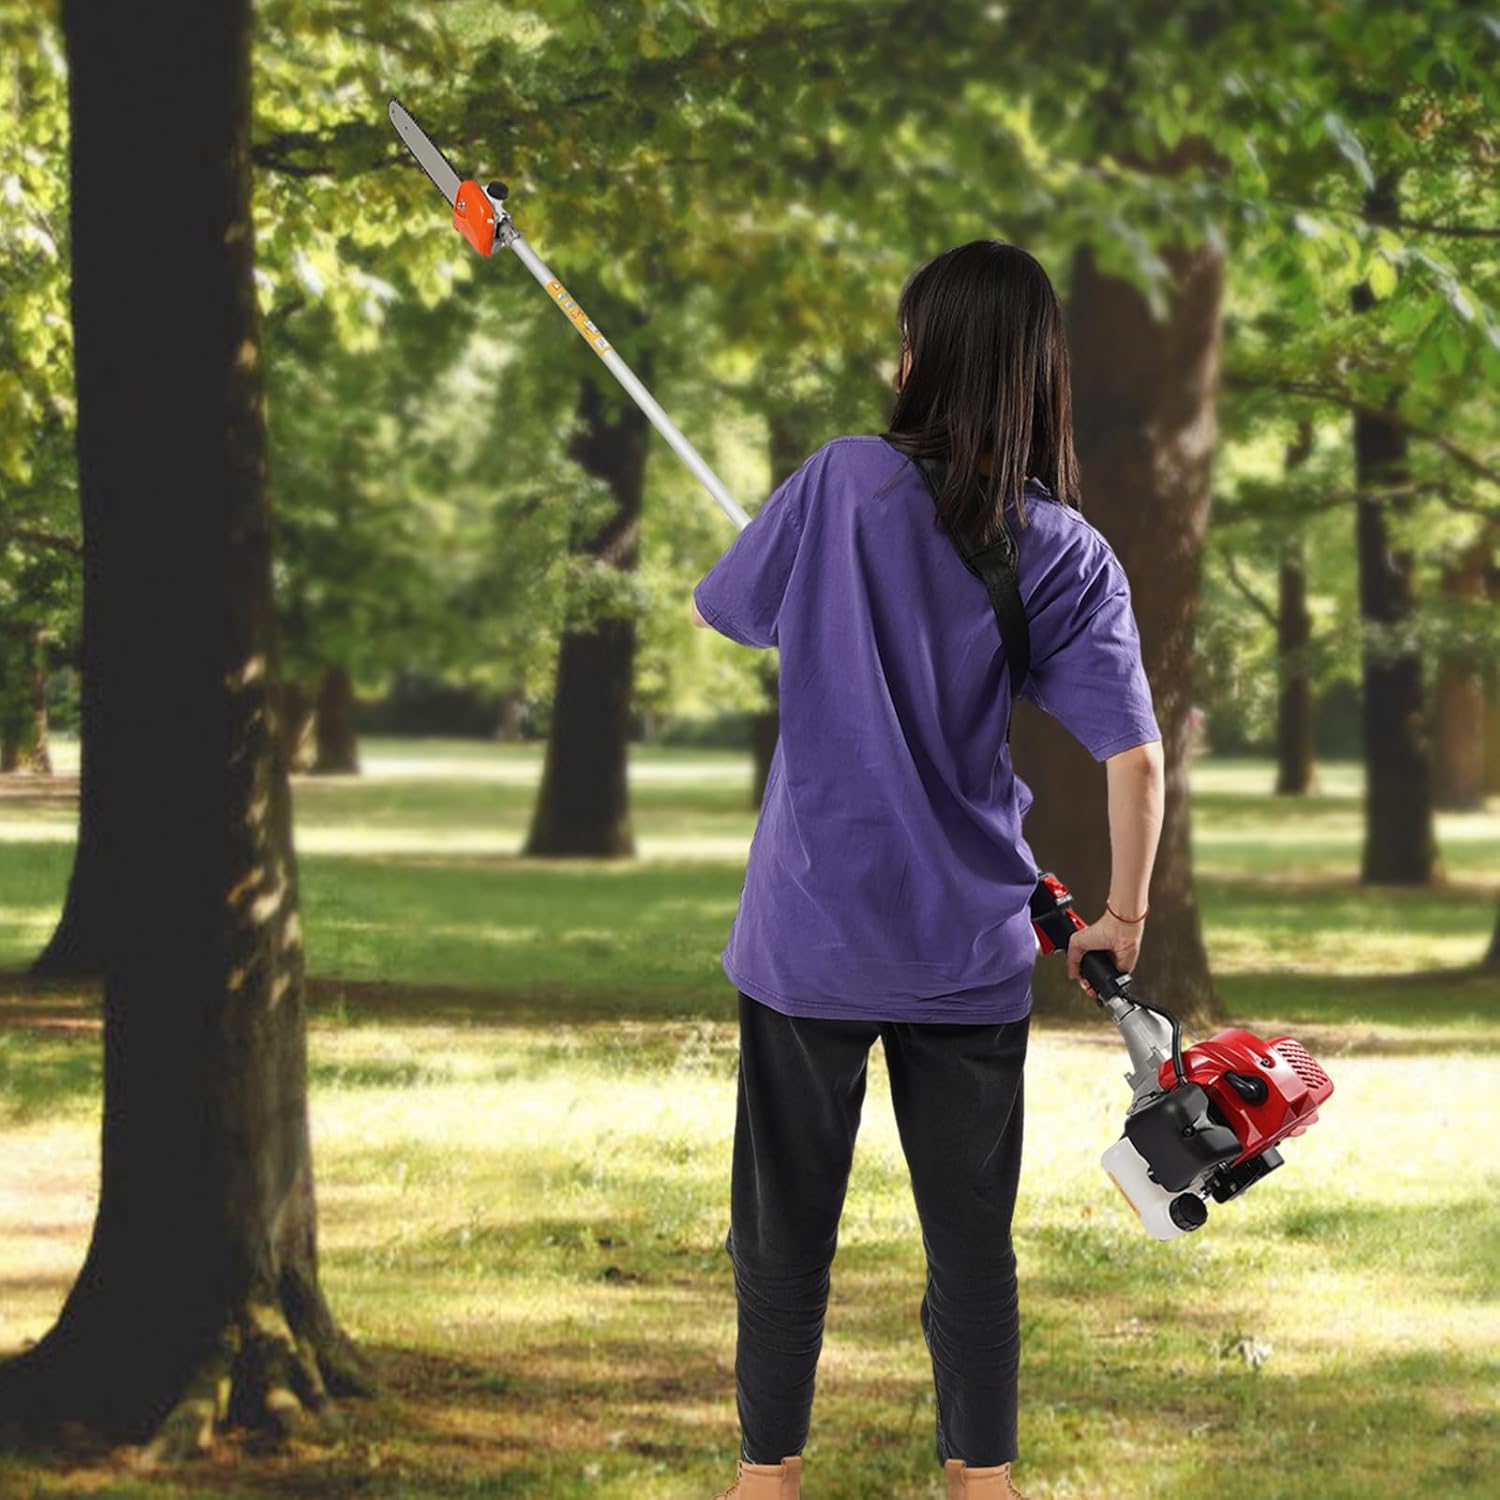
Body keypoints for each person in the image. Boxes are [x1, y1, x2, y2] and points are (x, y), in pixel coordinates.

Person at [691, 240, 1166, 1500]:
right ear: (1041, 377)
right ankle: (984, 1484)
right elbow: (1136, 761)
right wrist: (1119, 915)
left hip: (810, 939)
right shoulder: (1065, 550)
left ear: (924, 358)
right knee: (971, 1246)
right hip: (964, 952)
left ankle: (765, 1481)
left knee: (784, 1232)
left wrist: (811, 556)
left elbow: (724, 609)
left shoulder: (839, 481)